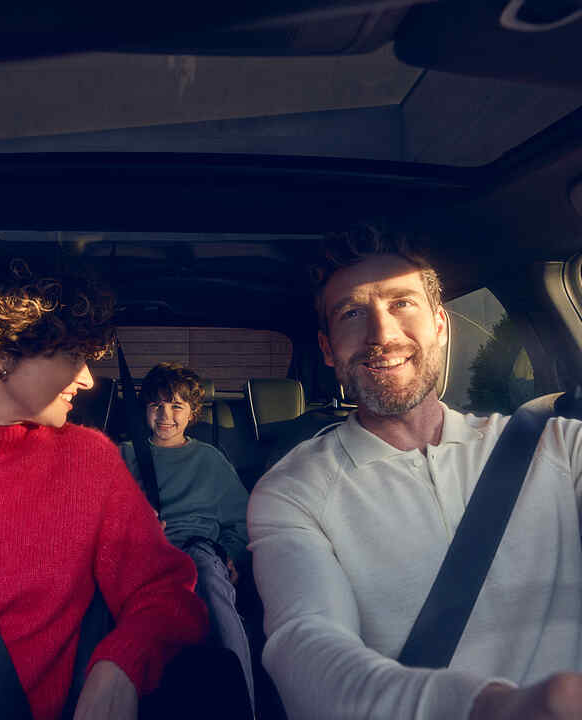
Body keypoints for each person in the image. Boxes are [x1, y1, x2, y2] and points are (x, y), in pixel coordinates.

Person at [247, 224, 582, 720]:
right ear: (326, 349)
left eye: (402, 303)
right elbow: (305, 642)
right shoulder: (291, 492)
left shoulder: (561, 445)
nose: (382, 335)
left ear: (441, 325)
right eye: (352, 313)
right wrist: (490, 709)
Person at [0, 257, 209, 720]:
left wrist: (121, 662)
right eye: (72, 356)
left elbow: (166, 591)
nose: (87, 379)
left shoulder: (89, 462)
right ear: (2, 355)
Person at [119, 362, 255, 710]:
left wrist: (230, 554)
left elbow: (241, 521)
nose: (166, 415)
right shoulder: (125, 455)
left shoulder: (210, 459)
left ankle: (242, 704)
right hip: (139, 552)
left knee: (210, 581)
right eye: (156, 406)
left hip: (198, 550)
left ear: (193, 412)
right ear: (145, 410)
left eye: (177, 406)